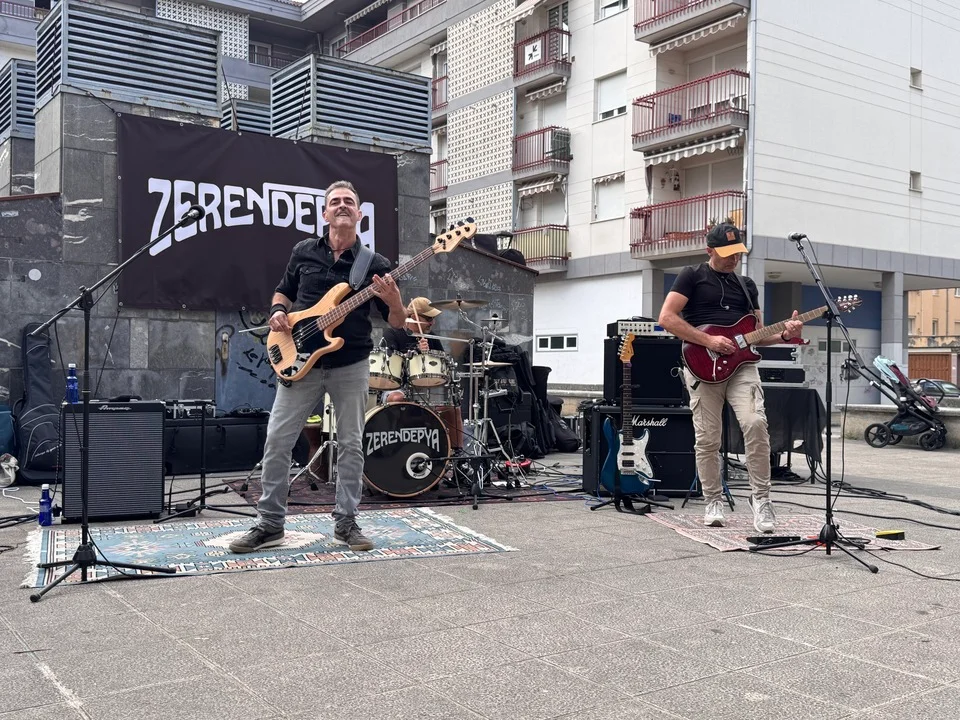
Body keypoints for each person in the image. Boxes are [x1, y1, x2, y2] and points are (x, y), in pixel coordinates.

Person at [229, 180, 407, 554]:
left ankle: (346, 523)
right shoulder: (304, 251)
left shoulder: (374, 264)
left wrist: (394, 301)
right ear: (325, 213)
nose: (342, 206)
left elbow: (397, 322)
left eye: (349, 202)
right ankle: (270, 524)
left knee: (351, 445)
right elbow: (284, 290)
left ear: (359, 214)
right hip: (299, 360)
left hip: (350, 363)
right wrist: (278, 311)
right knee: (278, 440)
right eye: (335, 201)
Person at [658, 223, 803, 533]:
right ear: (709, 250)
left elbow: (758, 335)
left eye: (737, 253)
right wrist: (708, 341)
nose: (733, 259)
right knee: (707, 438)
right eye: (727, 254)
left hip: (742, 367)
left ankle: (761, 499)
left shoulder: (747, 285)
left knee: (755, 423)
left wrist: (785, 335)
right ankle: (713, 500)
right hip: (702, 364)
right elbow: (667, 318)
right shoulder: (692, 275)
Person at [382, 297, 444, 404]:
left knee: (452, 408)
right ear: (415, 317)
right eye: (429, 319)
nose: (433, 322)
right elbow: (389, 364)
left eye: (433, 318)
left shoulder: (431, 336)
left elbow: (443, 362)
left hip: (428, 386)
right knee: (398, 399)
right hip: (397, 386)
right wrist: (416, 351)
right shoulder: (392, 333)